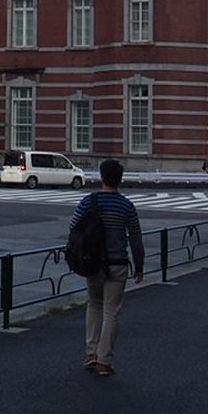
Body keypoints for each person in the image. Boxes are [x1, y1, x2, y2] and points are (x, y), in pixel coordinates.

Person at [68, 158, 144, 377]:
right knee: (112, 311)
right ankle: (105, 360)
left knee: (94, 304)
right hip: (118, 263)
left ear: (102, 178)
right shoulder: (126, 206)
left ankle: (91, 352)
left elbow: (74, 227)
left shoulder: (88, 202)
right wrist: (139, 266)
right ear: (120, 179)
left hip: (93, 262)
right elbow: (136, 239)